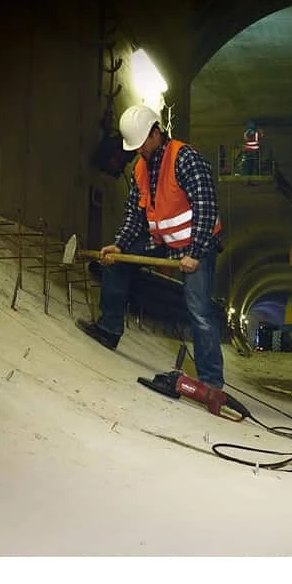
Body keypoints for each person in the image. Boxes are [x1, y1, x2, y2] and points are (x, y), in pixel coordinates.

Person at [76, 104, 225, 390]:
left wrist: (195, 253)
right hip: (164, 242)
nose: (140, 150)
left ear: (157, 132)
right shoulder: (140, 169)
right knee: (117, 263)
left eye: (143, 143)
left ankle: (210, 383)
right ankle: (109, 329)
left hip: (197, 244)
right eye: (135, 146)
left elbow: (205, 207)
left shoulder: (186, 158)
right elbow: (135, 215)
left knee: (199, 310)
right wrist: (120, 245)